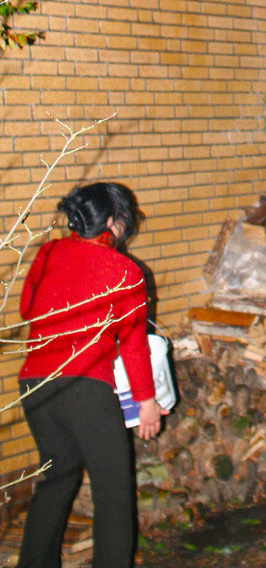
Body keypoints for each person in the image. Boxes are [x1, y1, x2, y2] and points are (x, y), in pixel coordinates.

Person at [17, 181, 163, 568]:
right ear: (113, 222)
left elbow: (27, 309)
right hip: (86, 389)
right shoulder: (125, 271)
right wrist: (146, 403)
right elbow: (133, 346)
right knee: (113, 493)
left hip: (34, 386)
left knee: (57, 479)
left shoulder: (47, 252)